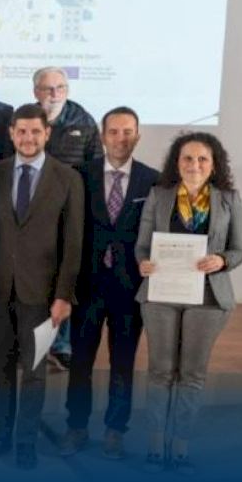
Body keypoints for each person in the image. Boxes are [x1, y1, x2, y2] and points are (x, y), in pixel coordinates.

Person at [0, 103, 84, 470]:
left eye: (35, 131)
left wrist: (63, 295)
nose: (28, 138)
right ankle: (1, 434)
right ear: (11, 133)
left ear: (47, 133)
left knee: (35, 372)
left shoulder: (67, 178)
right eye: (21, 131)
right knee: (1, 369)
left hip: (42, 296)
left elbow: (73, 243)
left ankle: (25, 442)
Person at [136, 132, 242, 473]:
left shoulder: (229, 198)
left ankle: (180, 446)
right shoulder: (159, 195)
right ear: (177, 162)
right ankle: (155, 445)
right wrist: (143, 263)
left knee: (193, 375)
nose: (194, 164)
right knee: (160, 371)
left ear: (214, 165)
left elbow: (239, 250)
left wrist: (221, 260)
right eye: (187, 158)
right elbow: (142, 246)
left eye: (202, 159)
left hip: (208, 298)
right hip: (161, 293)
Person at [60, 107, 158, 460]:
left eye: (128, 131)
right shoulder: (79, 175)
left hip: (129, 288)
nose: (121, 138)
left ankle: (116, 430)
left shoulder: (153, 180)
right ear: (102, 136)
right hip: (87, 285)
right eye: (114, 131)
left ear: (138, 136)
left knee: (123, 363)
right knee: (80, 362)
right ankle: (76, 427)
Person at [32, 66, 102, 368]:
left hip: (70, 212)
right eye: (48, 88)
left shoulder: (84, 121)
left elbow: (96, 167)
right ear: (36, 92)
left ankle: (61, 346)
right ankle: (33, 342)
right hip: (31, 213)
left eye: (60, 87)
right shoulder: (25, 118)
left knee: (66, 279)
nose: (54, 94)